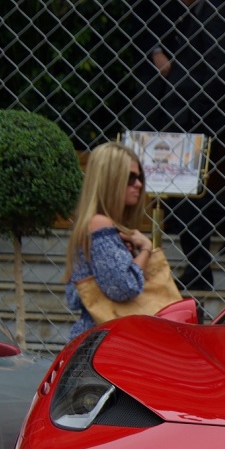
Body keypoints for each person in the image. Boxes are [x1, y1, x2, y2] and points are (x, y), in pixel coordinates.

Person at [131, 0, 225, 292]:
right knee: (183, 190)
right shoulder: (201, 9)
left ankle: (203, 258)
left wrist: (191, 108)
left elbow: (218, 69)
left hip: (196, 117)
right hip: (187, 115)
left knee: (184, 193)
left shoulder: (214, 10)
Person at [64, 142, 152, 338]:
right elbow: (122, 287)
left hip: (96, 336)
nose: (138, 184)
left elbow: (73, 295)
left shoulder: (93, 225)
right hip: (102, 341)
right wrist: (146, 249)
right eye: (130, 178)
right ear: (111, 180)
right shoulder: (99, 225)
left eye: (139, 178)